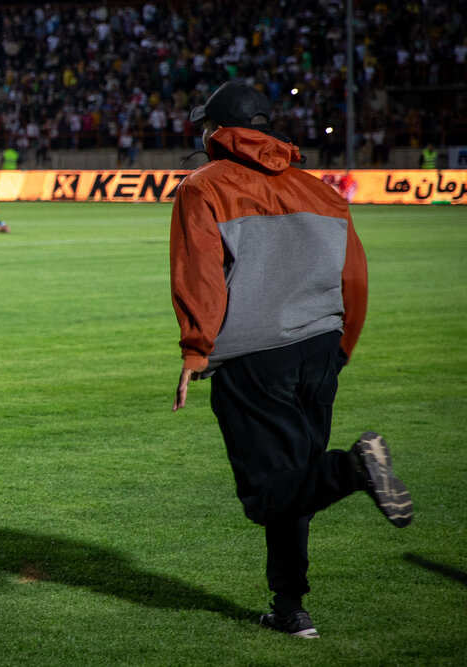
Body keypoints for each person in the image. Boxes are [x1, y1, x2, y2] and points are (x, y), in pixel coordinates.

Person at [170, 80, 413, 639]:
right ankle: (289, 608)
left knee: (265, 496)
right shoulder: (322, 190)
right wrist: (341, 348)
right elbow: (355, 277)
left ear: (216, 131)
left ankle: (352, 468)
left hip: (254, 358)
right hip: (321, 350)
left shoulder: (201, 186)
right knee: (295, 485)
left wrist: (195, 350)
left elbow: (201, 275)